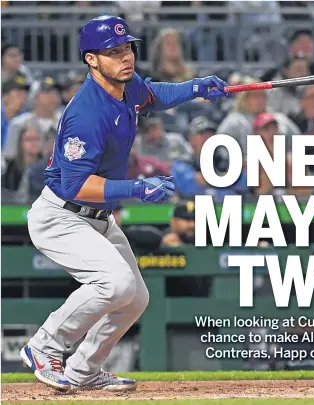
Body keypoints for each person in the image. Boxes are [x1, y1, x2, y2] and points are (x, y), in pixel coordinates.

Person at [20, 15, 229, 392]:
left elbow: (153, 95)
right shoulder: (87, 111)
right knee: (115, 284)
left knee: (135, 297)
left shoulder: (126, 86)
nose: (125, 57)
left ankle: (85, 369)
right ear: (92, 60)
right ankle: (44, 346)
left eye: (127, 48)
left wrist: (196, 87)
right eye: (113, 52)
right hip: (61, 215)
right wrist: (135, 187)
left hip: (96, 218)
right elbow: (75, 184)